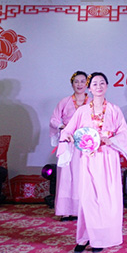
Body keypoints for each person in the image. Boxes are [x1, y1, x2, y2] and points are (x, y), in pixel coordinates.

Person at [57, 72, 127, 253]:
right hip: (89, 159)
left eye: (102, 83)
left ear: (107, 86)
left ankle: (103, 238)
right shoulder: (82, 111)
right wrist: (69, 138)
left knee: (107, 198)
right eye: (95, 84)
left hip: (108, 158)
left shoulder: (114, 109)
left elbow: (123, 132)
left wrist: (110, 140)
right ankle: (85, 237)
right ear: (89, 88)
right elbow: (67, 131)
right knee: (88, 198)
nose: (98, 86)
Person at [49, 71, 88, 221]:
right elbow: (54, 120)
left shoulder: (92, 102)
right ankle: (65, 211)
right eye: (76, 81)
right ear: (72, 84)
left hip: (85, 143)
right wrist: (62, 127)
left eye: (82, 81)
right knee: (65, 176)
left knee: (82, 175)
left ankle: (81, 210)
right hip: (67, 142)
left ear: (87, 84)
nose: (79, 84)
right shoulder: (65, 101)